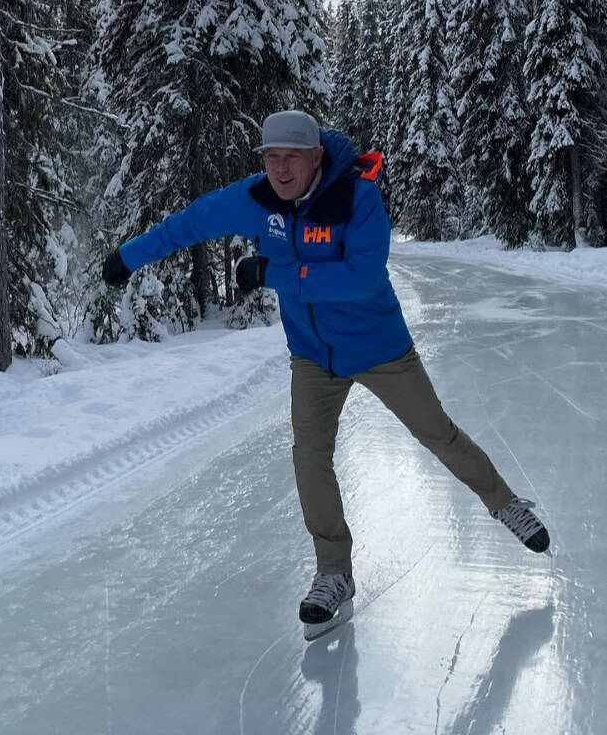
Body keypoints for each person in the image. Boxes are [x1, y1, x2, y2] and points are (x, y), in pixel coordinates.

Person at [101, 110, 550, 630]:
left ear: (317, 157)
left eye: (292, 156)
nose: (281, 168)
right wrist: (128, 257)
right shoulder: (255, 200)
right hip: (313, 355)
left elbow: (360, 278)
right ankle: (334, 571)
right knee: (310, 455)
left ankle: (504, 503)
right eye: (271, 156)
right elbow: (191, 221)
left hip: (379, 348)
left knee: (437, 434)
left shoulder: (357, 199)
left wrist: (276, 272)